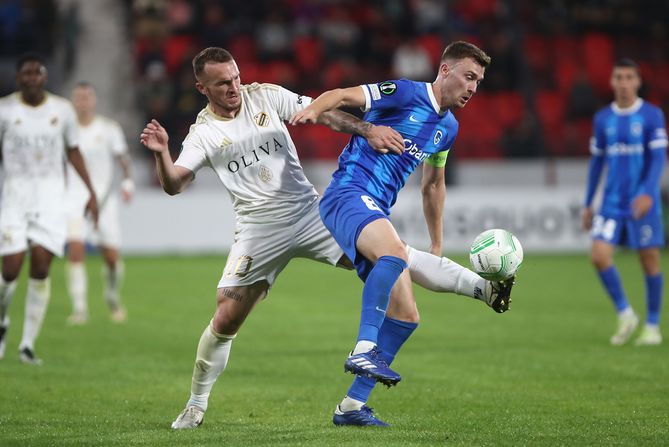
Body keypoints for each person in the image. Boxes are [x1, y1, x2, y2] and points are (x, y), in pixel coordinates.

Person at [140, 46, 512, 430]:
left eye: (236, 76)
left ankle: (471, 295)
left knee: (396, 257)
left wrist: (365, 127)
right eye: (223, 83)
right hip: (258, 228)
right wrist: (161, 154)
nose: (235, 86)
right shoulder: (203, 133)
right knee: (226, 318)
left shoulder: (264, 95)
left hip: (308, 212)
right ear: (203, 88)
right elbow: (174, 183)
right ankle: (196, 405)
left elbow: (327, 111)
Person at [290, 41, 512, 425]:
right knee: (393, 255)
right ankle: (364, 346)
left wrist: (438, 242)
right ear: (445, 70)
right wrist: (314, 108)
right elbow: (342, 94)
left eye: (479, 81)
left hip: (376, 208)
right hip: (348, 194)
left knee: (407, 315)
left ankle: (352, 407)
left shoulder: (448, 128)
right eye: (468, 76)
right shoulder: (407, 92)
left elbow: (433, 186)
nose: (473, 87)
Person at [0, 53, 98, 365]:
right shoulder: (5, 110)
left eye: (37, 73)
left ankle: (27, 344)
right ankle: (3, 323)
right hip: (14, 198)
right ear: (18, 79)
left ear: (45, 77)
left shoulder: (62, 110)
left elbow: (73, 151)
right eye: (26, 73)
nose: (32, 78)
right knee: (11, 267)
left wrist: (91, 192)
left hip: (50, 199)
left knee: (41, 266)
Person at [581, 58, 667, 346]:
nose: (624, 83)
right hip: (611, 203)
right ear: (612, 82)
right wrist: (588, 203)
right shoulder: (603, 118)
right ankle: (626, 313)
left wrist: (646, 192)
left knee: (649, 260)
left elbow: (657, 159)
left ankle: (653, 325)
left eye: (629, 77)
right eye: (619, 77)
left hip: (643, 202)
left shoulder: (652, 115)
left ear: (638, 81)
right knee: (598, 255)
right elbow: (597, 164)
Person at [64, 82, 134, 325]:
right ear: (74, 101)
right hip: (74, 199)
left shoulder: (108, 128)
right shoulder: (66, 129)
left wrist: (127, 182)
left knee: (112, 258)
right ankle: (79, 308)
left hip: (104, 201)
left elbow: (122, 159)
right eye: (79, 97)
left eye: (87, 97)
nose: (83, 101)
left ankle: (112, 297)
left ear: (93, 100)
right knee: (75, 251)